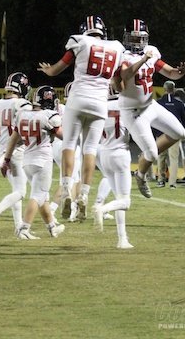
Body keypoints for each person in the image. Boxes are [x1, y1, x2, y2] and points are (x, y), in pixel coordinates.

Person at [38, 15, 125, 221]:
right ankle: (84, 194)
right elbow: (119, 85)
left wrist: (48, 70)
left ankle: (67, 189)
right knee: (90, 149)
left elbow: (57, 69)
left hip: (78, 99)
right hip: (100, 103)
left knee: (69, 144)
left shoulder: (80, 41)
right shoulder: (116, 47)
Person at [117, 19, 185, 198]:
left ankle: (145, 158)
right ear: (126, 38)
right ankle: (141, 175)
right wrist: (143, 59)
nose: (137, 43)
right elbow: (125, 75)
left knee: (179, 132)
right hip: (133, 112)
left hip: (150, 105)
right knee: (152, 154)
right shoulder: (122, 55)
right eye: (133, 38)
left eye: (140, 38)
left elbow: (170, 72)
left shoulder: (151, 52)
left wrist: (179, 73)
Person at [1, 86, 65, 239]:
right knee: (38, 195)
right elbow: (64, 136)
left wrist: (6, 159)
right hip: (42, 160)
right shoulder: (48, 115)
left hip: (27, 160)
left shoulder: (23, 115)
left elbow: (13, 139)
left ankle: (52, 227)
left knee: (43, 197)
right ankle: (24, 228)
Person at [0, 72, 32, 235]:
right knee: (21, 192)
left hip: (1, 151)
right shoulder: (22, 104)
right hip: (16, 150)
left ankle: (18, 227)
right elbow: (23, 131)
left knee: (16, 190)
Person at [93, 85, 134, 249]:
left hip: (104, 153)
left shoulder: (99, 105)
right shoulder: (125, 105)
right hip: (120, 153)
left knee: (119, 198)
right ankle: (102, 209)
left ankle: (122, 239)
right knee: (125, 201)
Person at [50, 81, 82, 222]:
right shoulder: (80, 109)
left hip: (56, 145)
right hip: (70, 146)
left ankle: (74, 210)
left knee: (76, 179)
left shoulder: (61, 107)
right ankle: (51, 210)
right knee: (68, 181)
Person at [156, 81, 185, 188]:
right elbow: (184, 120)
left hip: (161, 133)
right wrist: (184, 133)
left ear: (164, 89)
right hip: (174, 134)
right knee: (174, 158)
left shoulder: (159, 103)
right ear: (174, 90)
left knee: (161, 157)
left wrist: (155, 133)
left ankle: (161, 180)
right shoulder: (179, 103)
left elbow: (154, 119)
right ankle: (172, 182)